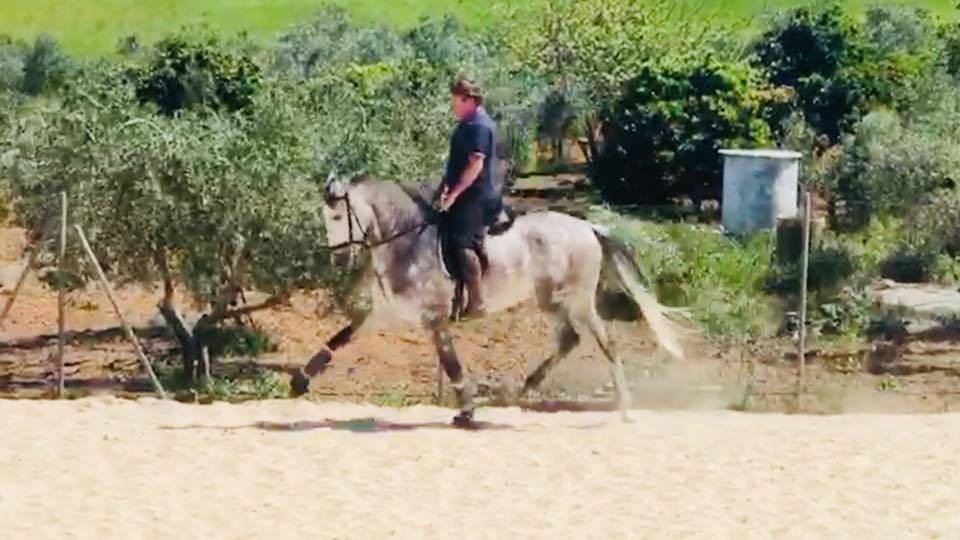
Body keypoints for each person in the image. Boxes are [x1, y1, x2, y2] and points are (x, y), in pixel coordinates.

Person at [437, 75, 500, 319]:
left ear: (468, 99)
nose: (453, 106)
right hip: (465, 193)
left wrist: (453, 194)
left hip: (475, 197)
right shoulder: (468, 123)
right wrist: (445, 186)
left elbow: (475, 166)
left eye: (455, 100)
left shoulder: (479, 126)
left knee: (460, 242)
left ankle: (477, 301)